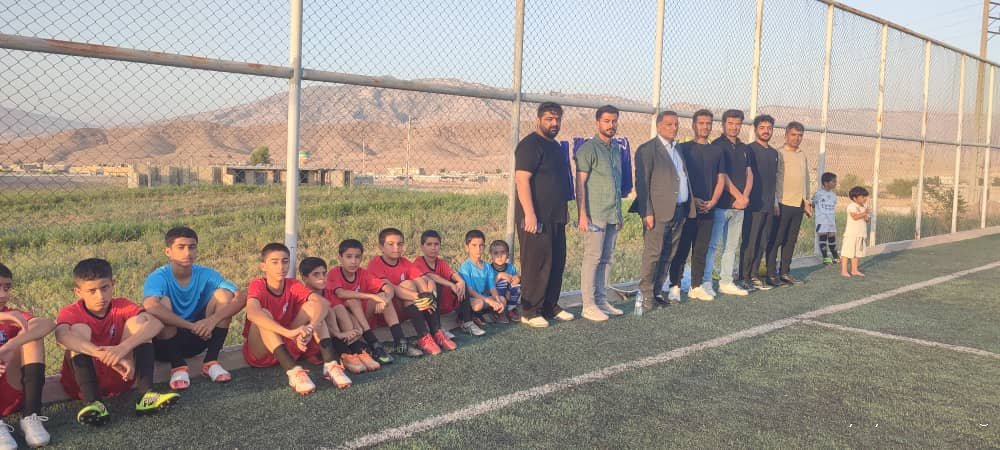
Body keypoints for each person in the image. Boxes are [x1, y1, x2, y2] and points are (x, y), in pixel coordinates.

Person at [55, 258, 179, 426]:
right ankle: (93, 403)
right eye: (92, 291)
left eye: (105, 288)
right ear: (78, 292)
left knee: (140, 323)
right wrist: (102, 354)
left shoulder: (121, 305)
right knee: (78, 331)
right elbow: (61, 336)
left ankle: (146, 395)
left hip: (124, 374)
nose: (100, 296)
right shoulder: (71, 312)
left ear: (113, 284)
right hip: (82, 385)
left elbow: (157, 324)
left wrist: (123, 349)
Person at [142, 227, 244, 391]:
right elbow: (150, 305)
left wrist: (212, 321)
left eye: (192, 247)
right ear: (168, 252)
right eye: (181, 247)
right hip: (166, 344)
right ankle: (178, 367)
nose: (187, 253)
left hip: (201, 336)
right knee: (163, 303)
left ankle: (211, 362)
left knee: (224, 295)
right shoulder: (158, 277)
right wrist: (190, 326)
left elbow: (240, 297)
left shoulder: (205, 273)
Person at [242, 243, 349, 394]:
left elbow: (323, 303)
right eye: (274, 262)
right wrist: (289, 333)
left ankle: (330, 365)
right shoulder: (258, 284)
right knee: (263, 313)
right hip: (261, 353)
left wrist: (311, 328)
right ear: (263, 266)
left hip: (288, 345)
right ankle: (293, 372)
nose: (281, 267)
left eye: (285, 261)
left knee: (314, 307)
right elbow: (252, 313)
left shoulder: (293, 284)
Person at [514, 102, 575, 328]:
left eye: (557, 119)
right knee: (536, 264)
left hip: (556, 216)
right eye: (549, 119)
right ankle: (530, 311)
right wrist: (529, 214)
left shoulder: (556, 147)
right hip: (536, 218)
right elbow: (522, 180)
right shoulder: (529, 145)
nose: (554, 123)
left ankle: (550, 305)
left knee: (556, 262)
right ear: (538, 119)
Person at [631, 110, 696, 311]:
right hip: (658, 213)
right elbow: (642, 184)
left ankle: (658, 291)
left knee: (669, 253)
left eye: (676, 124)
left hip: (679, 211)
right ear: (659, 125)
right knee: (653, 254)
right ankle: (646, 295)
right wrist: (647, 212)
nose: (673, 128)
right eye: (669, 124)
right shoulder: (647, 150)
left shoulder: (678, 149)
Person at [367, 228, 456, 355]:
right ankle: (422, 335)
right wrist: (419, 296)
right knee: (407, 285)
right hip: (384, 310)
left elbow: (423, 279)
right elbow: (391, 288)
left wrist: (428, 295)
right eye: (391, 244)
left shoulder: (404, 262)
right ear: (381, 247)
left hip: (407, 309)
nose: (396, 248)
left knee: (426, 284)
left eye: (400, 244)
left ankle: (436, 331)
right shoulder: (375, 263)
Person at [574, 105, 626, 321]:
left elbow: (616, 184)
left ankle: (601, 300)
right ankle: (588, 305)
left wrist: (619, 214)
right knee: (593, 258)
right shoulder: (588, 149)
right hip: (595, 214)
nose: (611, 125)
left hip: (612, 213)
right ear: (597, 123)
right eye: (606, 121)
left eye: (614, 121)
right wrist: (582, 214)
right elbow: (580, 183)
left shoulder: (616, 149)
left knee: (606, 259)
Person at [671, 109, 726, 302]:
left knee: (701, 249)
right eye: (701, 123)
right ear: (694, 125)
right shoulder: (683, 149)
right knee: (682, 248)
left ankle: (696, 286)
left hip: (708, 208)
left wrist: (713, 201)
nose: (705, 127)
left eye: (708, 123)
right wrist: (692, 199)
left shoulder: (717, 151)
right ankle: (675, 285)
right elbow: (678, 177)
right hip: (688, 208)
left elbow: (721, 178)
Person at [327, 239, 413, 362]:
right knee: (353, 301)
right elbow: (341, 293)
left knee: (382, 296)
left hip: (364, 317)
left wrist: (385, 299)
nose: (353, 261)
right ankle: (374, 343)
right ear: (340, 258)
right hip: (346, 321)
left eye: (357, 257)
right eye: (349, 257)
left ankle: (400, 341)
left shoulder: (363, 273)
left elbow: (387, 287)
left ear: (361, 258)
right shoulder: (334, 273)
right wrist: (372, 296)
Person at [0, 263, 54, 448]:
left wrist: (9, 346)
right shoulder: (8, 316)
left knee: (32, 337)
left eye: (7, 288)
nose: (3, 295)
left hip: (11, 383)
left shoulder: (13, 314)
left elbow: (46, 324)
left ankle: (31, 415)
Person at [299, 257, 380, 375]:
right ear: (304, 278)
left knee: (339, 308)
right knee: (326, 310)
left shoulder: (327, 291)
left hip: (335, 336)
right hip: (315, 341)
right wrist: (338, 334)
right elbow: (316, 323)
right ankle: (344, 353)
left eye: (324, 274)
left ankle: (356, 352)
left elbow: (342, 310)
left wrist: (357, 328)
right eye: (316, 275)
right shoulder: (302, 295)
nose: (322, 278)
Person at [704, 109, 753, 297]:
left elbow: (749, 174)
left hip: (740, 207)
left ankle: (726, 282)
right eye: (730, 123)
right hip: (721, 206)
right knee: (712, 245)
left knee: (731, 246)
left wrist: (745, 197)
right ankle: (706, 282)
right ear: (723, 124)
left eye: (737, 124)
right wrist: (738, 196)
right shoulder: (717, 146)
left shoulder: (744, 148)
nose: (734, 127)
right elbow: (722, 176)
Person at [765, 121, 814, 286]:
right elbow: (773, 180)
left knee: (790, 241)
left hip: (797, 205)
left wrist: (806, 201)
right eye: (793, 134)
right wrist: (775, 202)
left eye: (800, 135)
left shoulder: (802, 155)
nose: (796, 138)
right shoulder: (778, 153)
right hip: (781, 204)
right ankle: (771, 275)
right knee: (776, 240)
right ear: (786, 135)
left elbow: (805, 179)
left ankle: (785, 272)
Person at [738, 115, 781, 292]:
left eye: (769, 128)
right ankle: (744, 276)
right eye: (762, 127)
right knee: (750, 241)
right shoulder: (749, 150)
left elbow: (775, 180)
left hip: (768, 205)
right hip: (753, 205)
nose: (766, 131)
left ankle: (754, 275)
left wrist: (775, 203)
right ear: (756, 129)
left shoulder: (774, 153)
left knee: (763, 241)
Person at [413, 230, 467, 326]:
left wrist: (461, 281)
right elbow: (431, 276)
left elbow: (452, 273)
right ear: (422, 247)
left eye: (436, 244)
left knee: (461, 284)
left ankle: (467, 321)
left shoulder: (441, 262)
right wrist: (450, 284)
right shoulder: (418, 262)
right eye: (429, 244)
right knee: (435, 284)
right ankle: (437, 327)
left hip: (446, 304)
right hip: (429, 306)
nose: (433, 248)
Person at [457, 230, 506, 334]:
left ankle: (492, 313)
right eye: (474, 245)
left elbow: (492, 287)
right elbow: (470, 291)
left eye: (481, 245)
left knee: (502, 299)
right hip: (473, 299)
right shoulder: (465, 267)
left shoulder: (487, 266)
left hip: (485, 298)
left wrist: (497, 300)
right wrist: (489, 301)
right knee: (478, 304)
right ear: (467, 247)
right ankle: (473, 316)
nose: (478, 249)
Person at [488, 240, 521, 322]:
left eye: (503, 252)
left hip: (507, 294)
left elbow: (515, 280)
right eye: (496, 253)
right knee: (502, 282)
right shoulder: (488, 268)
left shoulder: (511, 267)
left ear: (508, 255)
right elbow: (488, 287)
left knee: (517, 285)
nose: (499, 256)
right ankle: (498, 311)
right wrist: (499, 276)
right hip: (494, 296)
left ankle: (511, 309)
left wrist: (517, 278)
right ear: (491, 255)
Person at [842, 187, 871, 278]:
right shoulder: (852, 206)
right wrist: (864, 213)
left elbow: (867, 220)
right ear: (855, 198)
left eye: (865, 196)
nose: (865, 199)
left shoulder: (865, 207)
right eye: (862, 197)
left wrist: (865, 214)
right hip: (851, 234)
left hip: (861, 234)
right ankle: (844, 271)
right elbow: (854, 217)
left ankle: (854, 270)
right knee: (847, 252)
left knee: (857, 253)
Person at [813, 172, 841, 264]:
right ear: (826, 183)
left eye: (835, 181)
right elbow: (813, 204)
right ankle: (825, 258)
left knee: (832, 237)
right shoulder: (818, 194)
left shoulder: (833, 195)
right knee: (823, 237)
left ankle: (835, 256)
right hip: (821, 220)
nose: (835, 183)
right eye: (833, 181)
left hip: (831, 220)